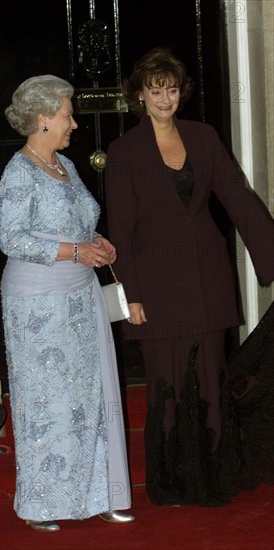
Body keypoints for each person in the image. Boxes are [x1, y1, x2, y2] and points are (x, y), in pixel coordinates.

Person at [105, 48, 274, 506]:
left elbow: (238, 196)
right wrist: (130, 295)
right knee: (169, 383)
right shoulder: (123, 152)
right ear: (138, 95)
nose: (165, 99)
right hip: (155, 287)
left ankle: (214, 476)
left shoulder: (203, 137)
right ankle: (172, 482)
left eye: (172, 89)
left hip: (207, 277)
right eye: (155, 90)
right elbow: (119, 229)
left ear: (182, 92)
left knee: (210, 379)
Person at [0, 75, 135, 531]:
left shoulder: (66, 166)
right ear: (43, 119)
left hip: (80, 294)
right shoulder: (20, 170)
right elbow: (11, 238)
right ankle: (42, 503)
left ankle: (98, 494)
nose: (74, 123)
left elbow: (73, 223)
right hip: (38, 303)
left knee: (88, 397)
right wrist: (74, 251)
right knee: (47, 401)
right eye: (67, 114)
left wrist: (96, 242)